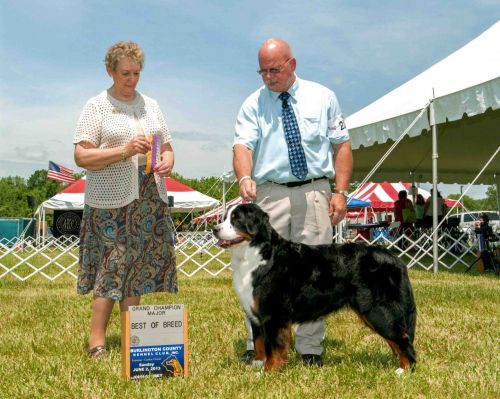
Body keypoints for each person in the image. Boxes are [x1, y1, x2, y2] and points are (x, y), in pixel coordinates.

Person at [233, 38, 353, 366]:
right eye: (263, 71)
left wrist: (340, 192)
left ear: (292, 64)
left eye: (275, 69)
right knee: (258, 271)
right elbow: (242, 146)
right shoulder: (252, 104)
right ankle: (256, 344)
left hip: (315, 191)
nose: (269, 77)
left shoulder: (323, 96)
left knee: (315, 271)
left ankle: (310, 347)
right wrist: (245, 177)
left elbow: (341, 145)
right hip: (269, 193)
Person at [73, 41, 178, 358]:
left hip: (148, 198)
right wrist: (123, 151)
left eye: (136, 73)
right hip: (110, 201)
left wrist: (168, 161)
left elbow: (168, 146)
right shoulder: (97, 106)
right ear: (110, 71)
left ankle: (135, 340)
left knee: (135, 269)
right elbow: (81, 155)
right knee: (111, 268)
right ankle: (96, 343)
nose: (132, 79)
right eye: (125, 73)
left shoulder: (152, 106)